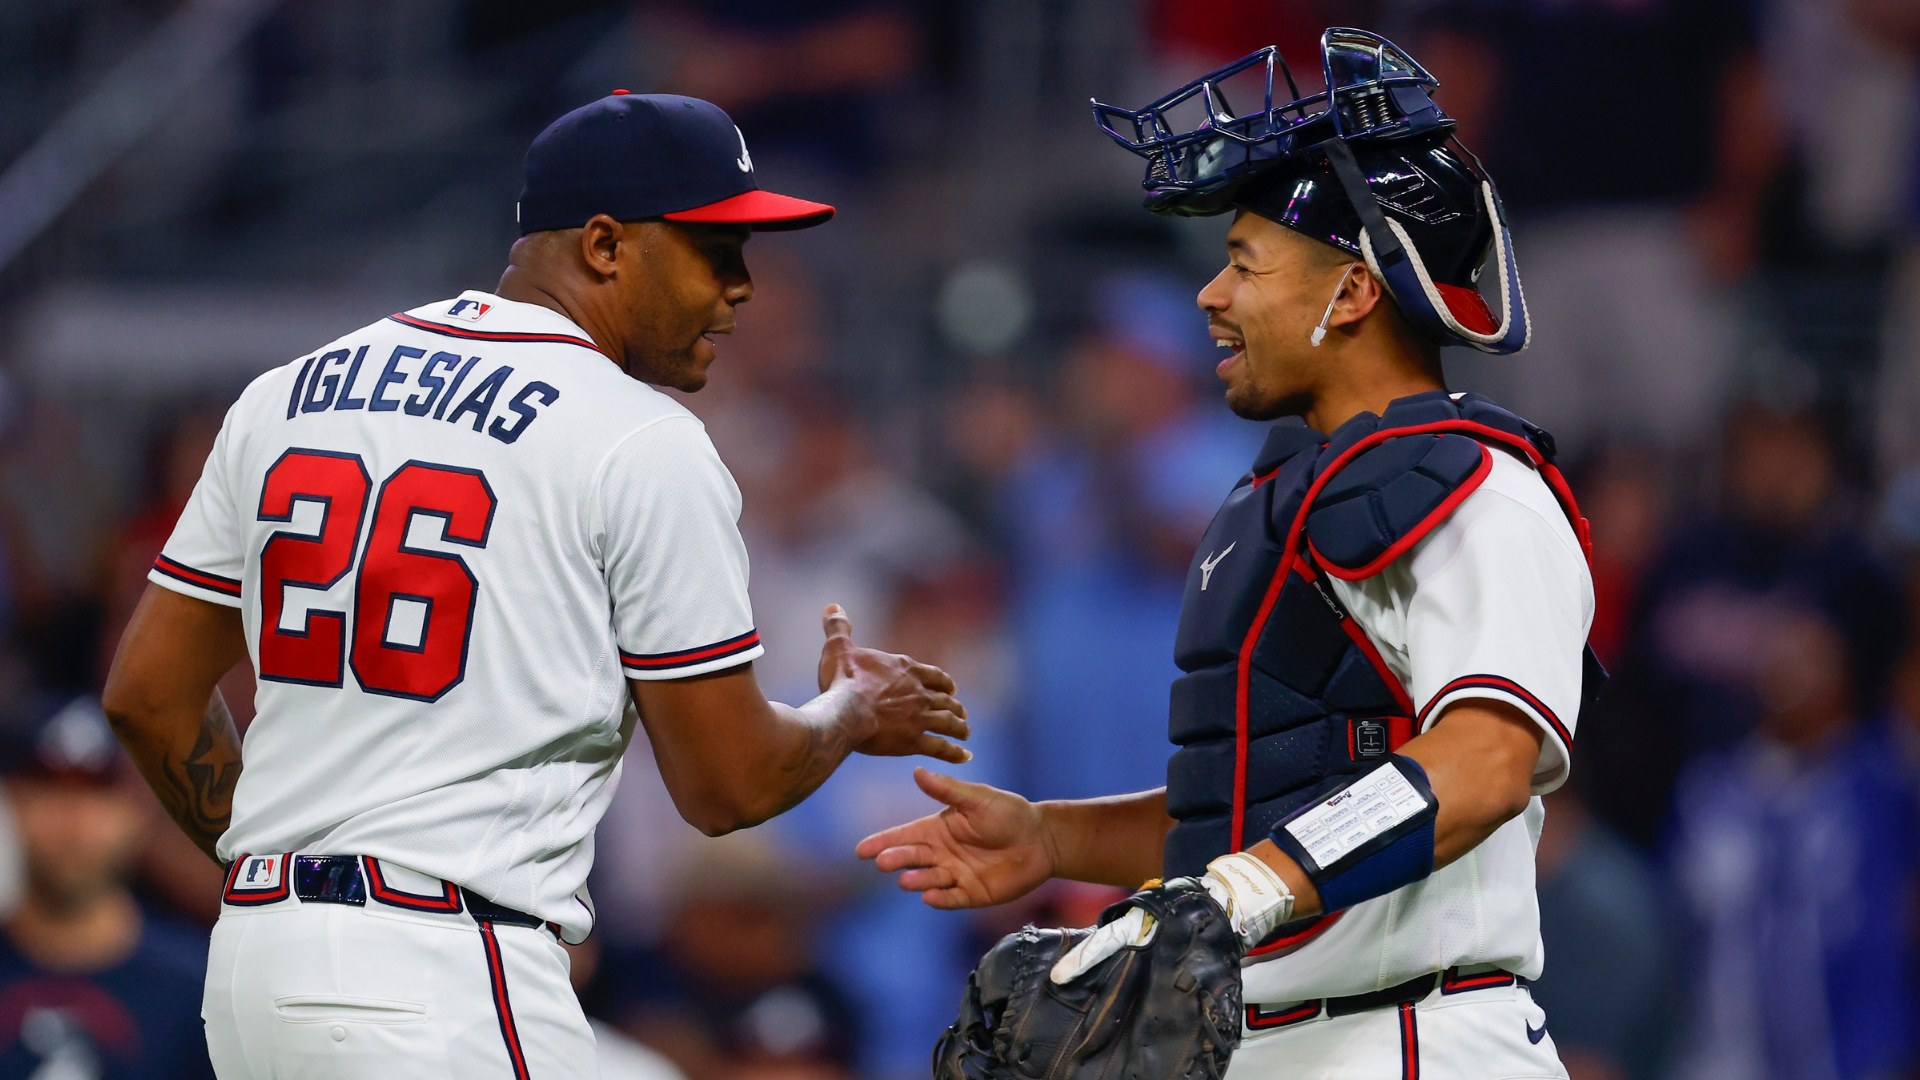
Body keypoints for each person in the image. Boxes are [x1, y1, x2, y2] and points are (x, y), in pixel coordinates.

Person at [99, 91, 969, 1079]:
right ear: (603, 244)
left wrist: (295, 880)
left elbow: (148, 696)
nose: (741, 287)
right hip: (444, 977)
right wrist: (852, 709)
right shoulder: (640, 438)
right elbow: (726, 784)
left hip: (259, 971)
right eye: (712, 249)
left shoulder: (289, 392)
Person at [860, 31, 1595, 1080]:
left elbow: (1483, 762)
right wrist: (1054, 840)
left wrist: (1240, 890)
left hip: (1419, 1037)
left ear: (1350, 294)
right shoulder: (1283, 493)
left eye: (1244, 264)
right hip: (1274, 1039)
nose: (1211, 296)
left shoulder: (1474, 487)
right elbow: (1264, 803)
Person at [0, 695, 213, 1079]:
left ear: (140, 810)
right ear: (13, 800)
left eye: (97, 792)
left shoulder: (198, 991)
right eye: (50, 789)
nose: (73, 820)